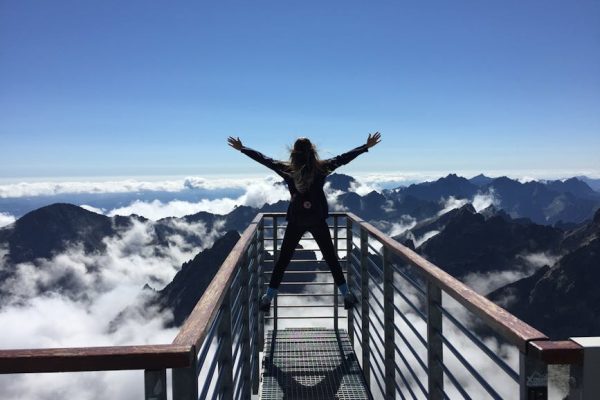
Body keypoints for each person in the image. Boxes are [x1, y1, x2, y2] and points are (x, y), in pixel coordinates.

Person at [227, 132, 381, 312]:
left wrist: (243, 149)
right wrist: (365, 147)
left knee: (283, 260)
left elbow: (264, 160)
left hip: (296, 220)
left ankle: (268, 297)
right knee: (331, 258)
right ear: (312, 151)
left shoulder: (288, 170)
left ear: (294, 153)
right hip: (317, 220)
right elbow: (344, 158)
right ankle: (346, 295)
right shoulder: (322, 168)